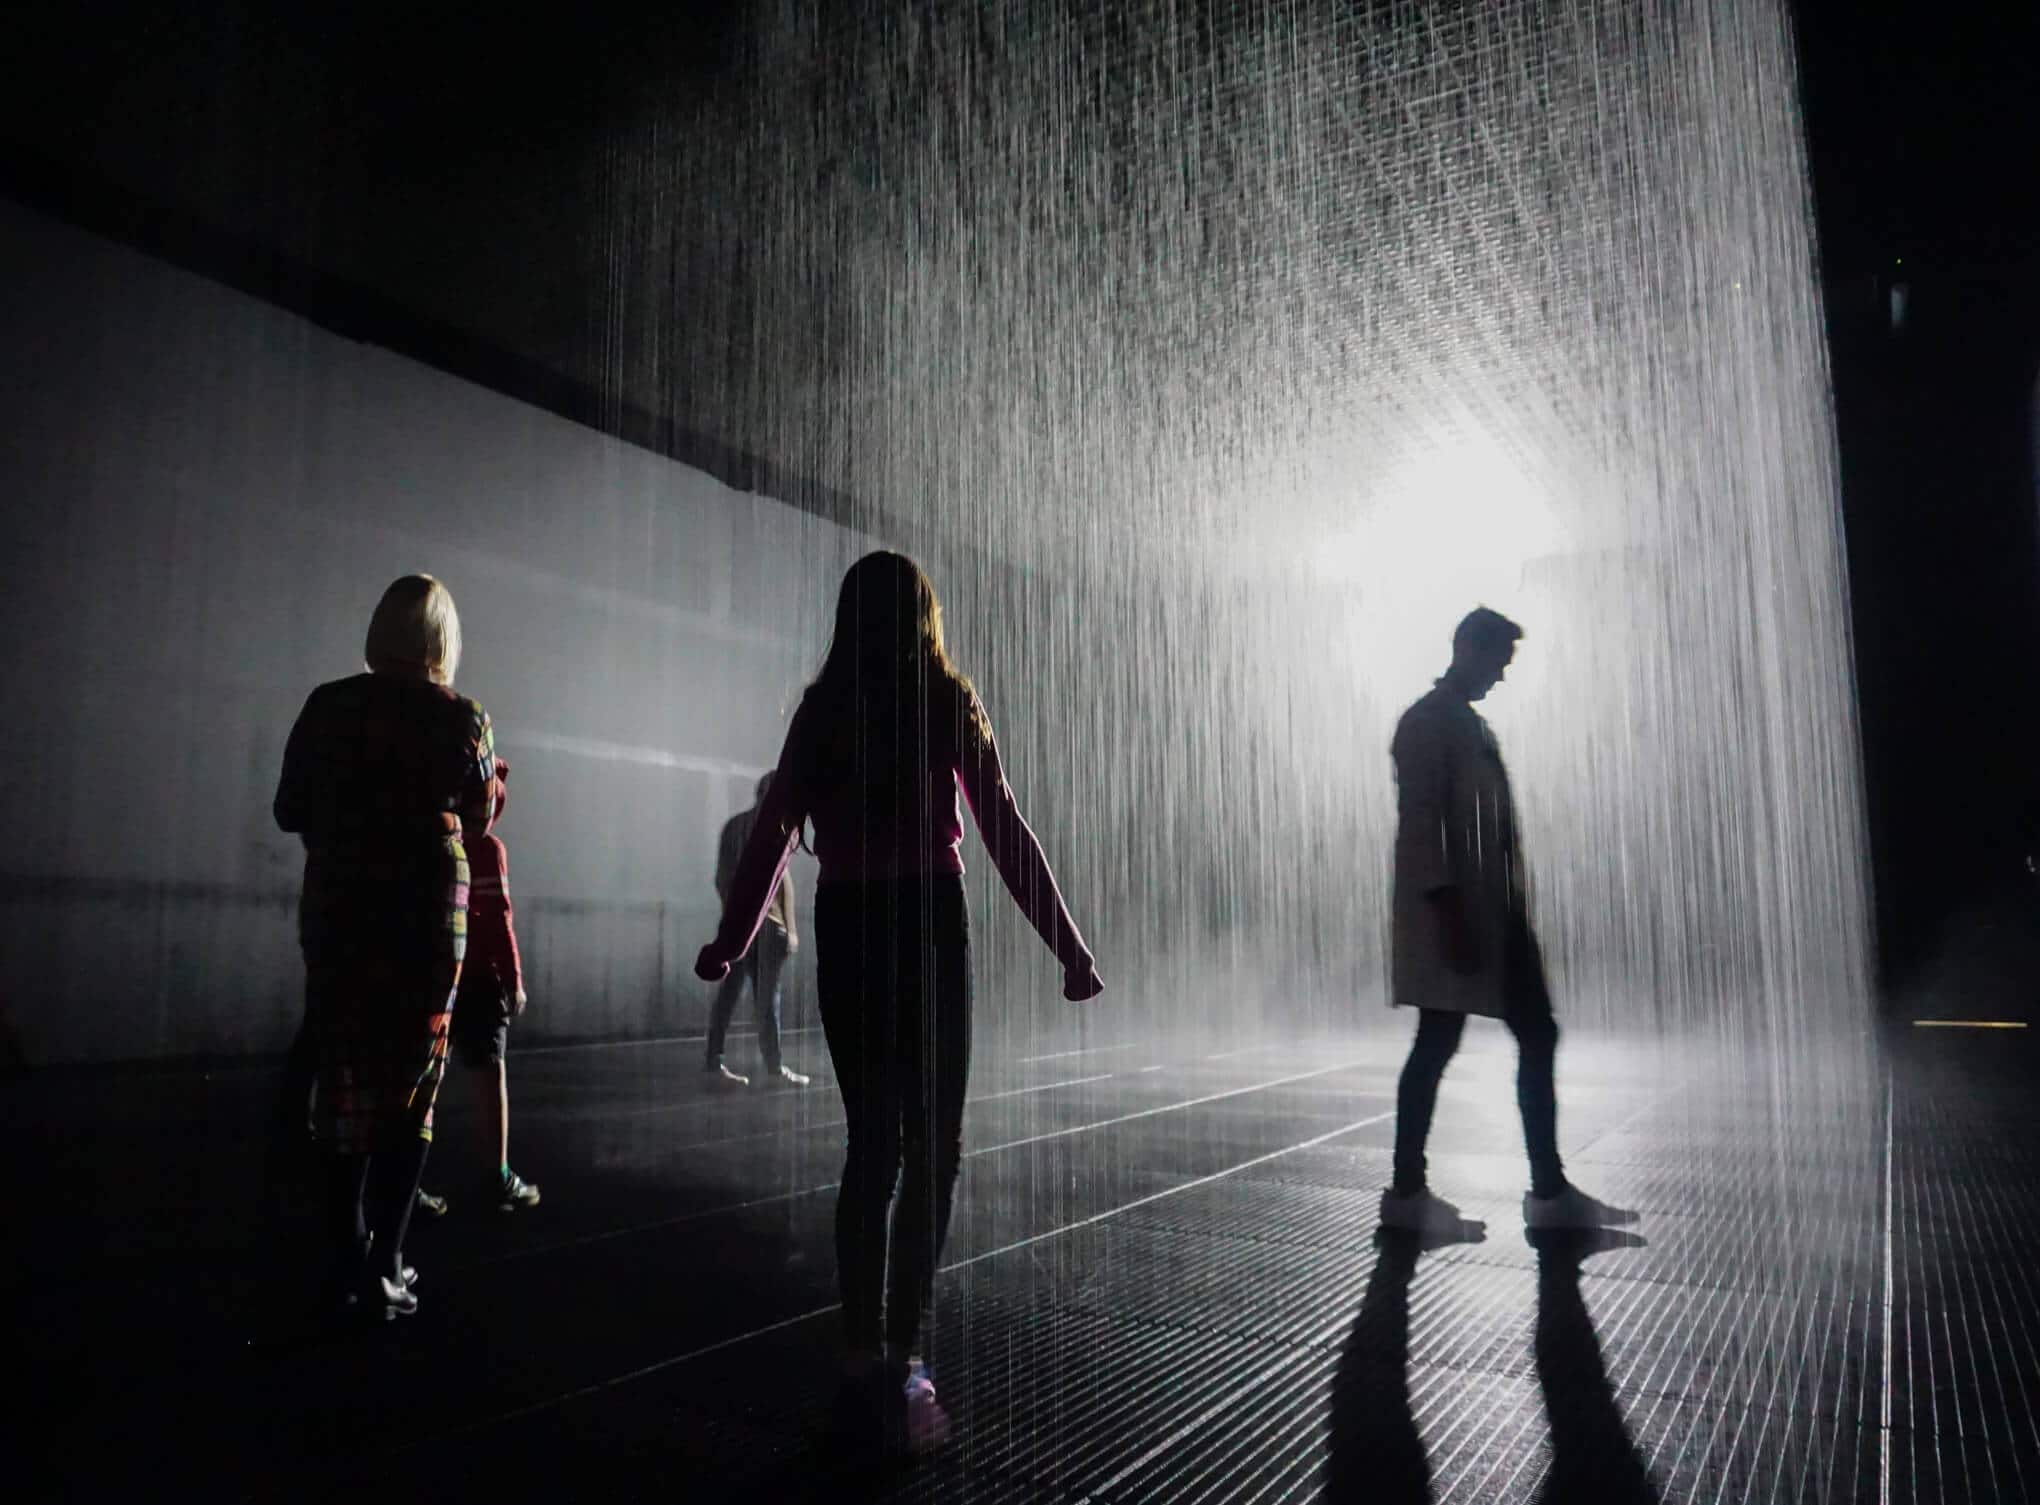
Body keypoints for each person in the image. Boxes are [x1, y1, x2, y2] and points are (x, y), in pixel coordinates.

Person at [695, 551, 1103, 1455]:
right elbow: (1003, 828)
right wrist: (1068, 947)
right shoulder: (946, 701)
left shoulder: (823, 708)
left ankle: (857, 1354)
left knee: (872, 1144)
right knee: (935, 1145)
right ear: (926, 617)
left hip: (848, 919)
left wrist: (729, 943)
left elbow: (771, 832)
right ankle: (907, 1358)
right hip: (925, 921)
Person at [274, 575, 498, 1318]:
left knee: (342, 1071)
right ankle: (389, 1264)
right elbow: (477, 820)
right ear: (445, 641)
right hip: (431, 914)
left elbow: (288, 809)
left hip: (341, 902)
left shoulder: (328, 704)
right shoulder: (467, 719)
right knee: (415, 1079)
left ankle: (344, 1254)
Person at [1381, 607, 1634, 1234]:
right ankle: (1527, 1196)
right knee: (1455, 1042)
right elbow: (1421, 828)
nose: (1500, 675)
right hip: (1459, 915)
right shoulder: (1429, 723)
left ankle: (1438, 1194)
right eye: (1497, 661)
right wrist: (1450, 914)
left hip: (1485, 913)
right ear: (1467, 647)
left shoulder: (1460, 722)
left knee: (1469, 1041)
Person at [444, 756, 542, 1210]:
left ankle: (401, 1186)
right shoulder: (487, 849)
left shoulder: (431, 838)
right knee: (490, 1073)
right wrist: (515, 980)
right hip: (479, 976)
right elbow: (499, 918)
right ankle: (497, 1176)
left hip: (434, 970)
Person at [703, 772, 810, 1088]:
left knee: (737, 993)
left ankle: (717, 1060)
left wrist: (737, 920)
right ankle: (769, 1067)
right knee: (760, 997)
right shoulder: (772, 829)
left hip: (751, 925)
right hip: (759, 927)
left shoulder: (749, 827)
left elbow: (730, 878)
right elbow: (774, 881)